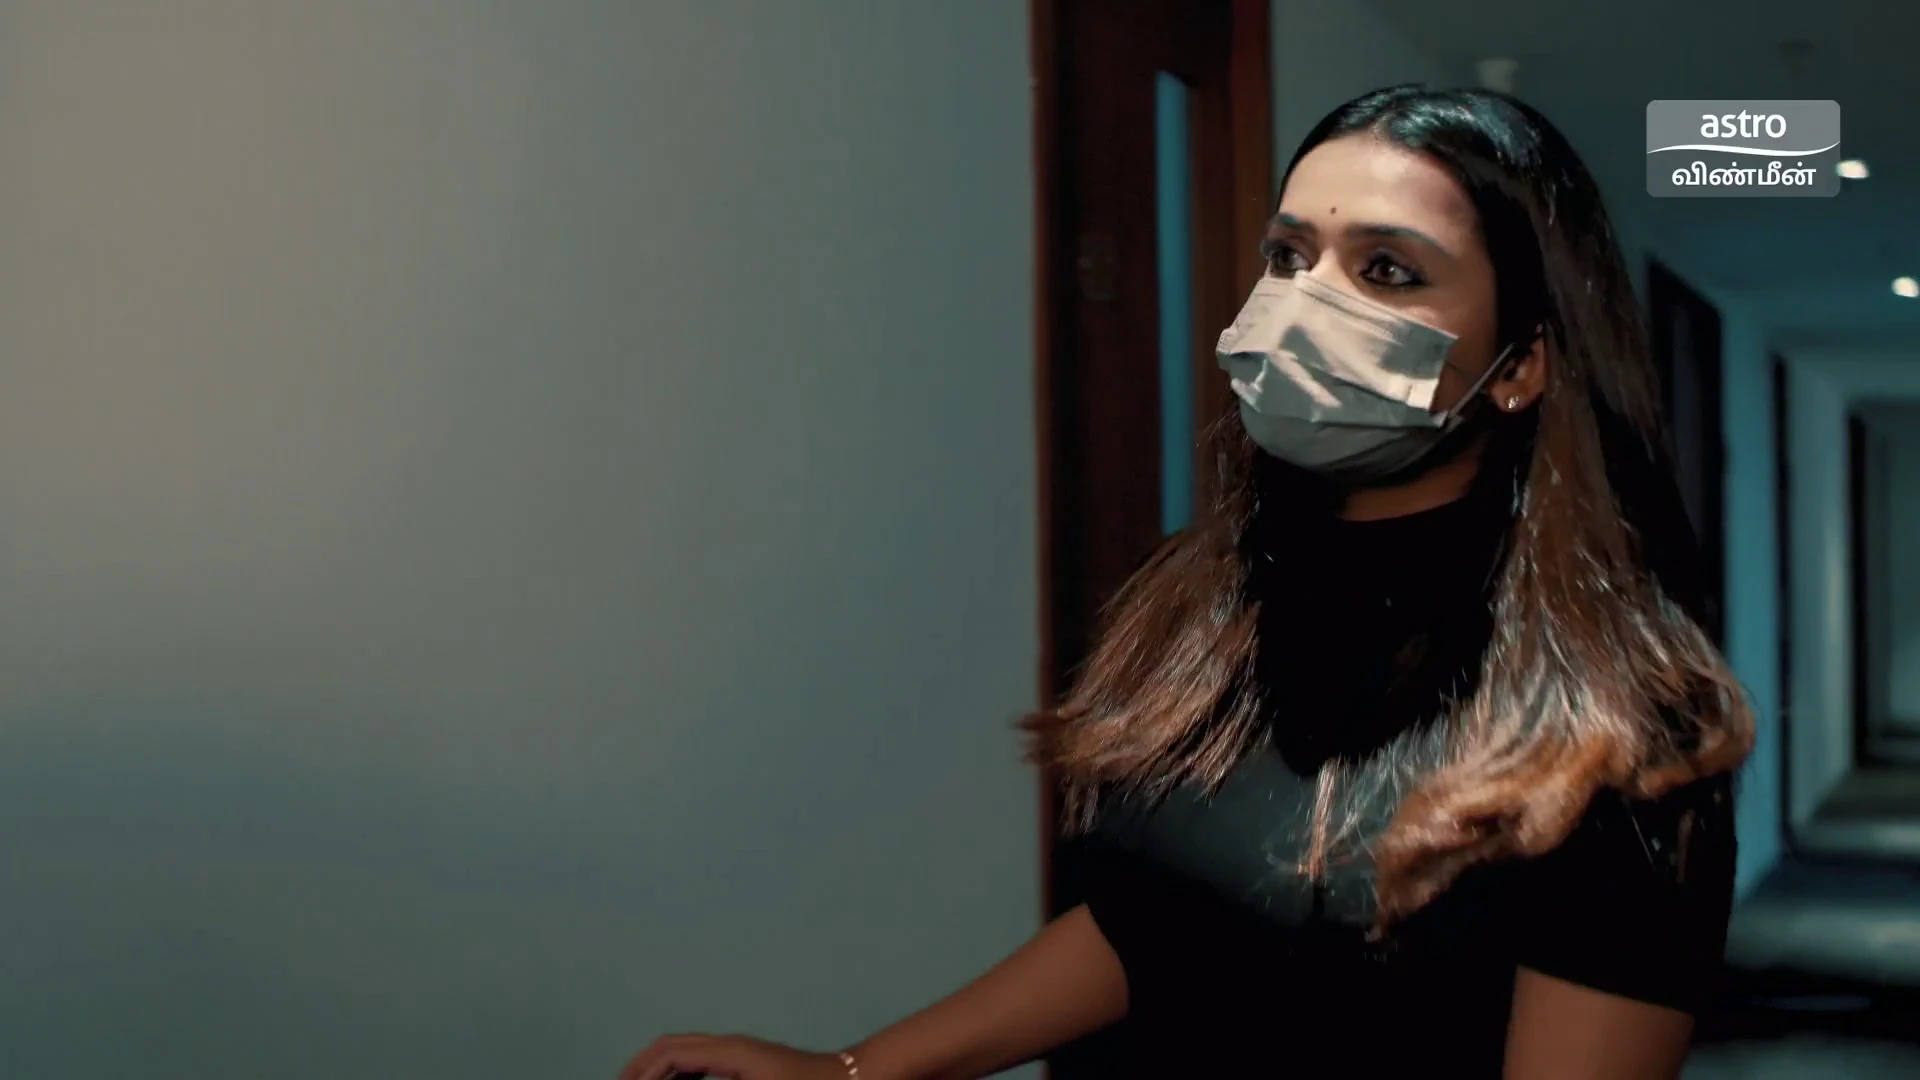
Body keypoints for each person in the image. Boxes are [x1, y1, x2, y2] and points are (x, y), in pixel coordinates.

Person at [622, 84, 1756, 1080]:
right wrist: (859, 1068)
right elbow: (1165, 916)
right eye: (1288, 257)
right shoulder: (1206, 601)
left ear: (1523, 365)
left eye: (1387, 271)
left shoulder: (1623, 722)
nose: (1306, 305)